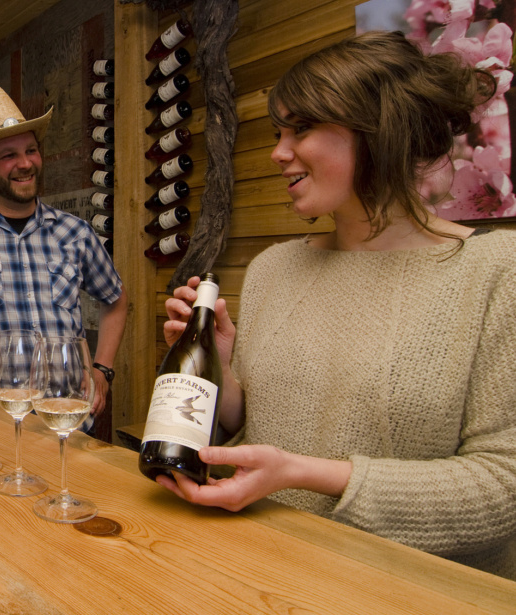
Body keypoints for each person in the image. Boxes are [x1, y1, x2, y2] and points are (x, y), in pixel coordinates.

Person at [159, 31, 516, 580]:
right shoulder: (274, 267)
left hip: (408, 590)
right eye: (278, 132)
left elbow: (502, 487)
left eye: (301, 128)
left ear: (381, 130)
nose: (278, 152)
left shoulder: (495, 272)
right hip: (265, 571)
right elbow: (254, 423)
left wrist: (309, 474)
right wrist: (220, 372)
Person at [0, 85, 127, 418]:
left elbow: (116, 299)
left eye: (31, 150)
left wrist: (102, 370)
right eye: (8, 156)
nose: (25, 163)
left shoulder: (75, 232)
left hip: (65, 416)